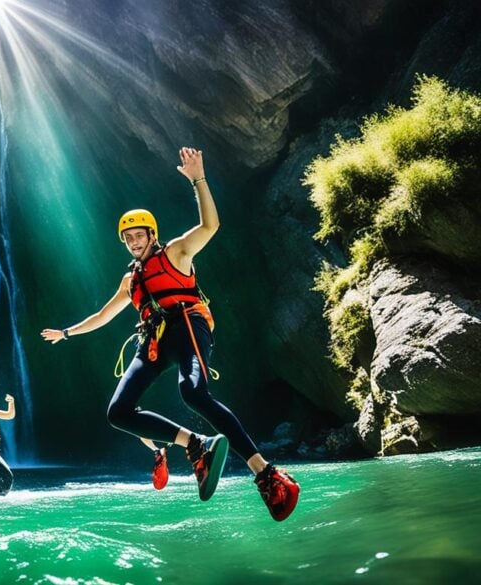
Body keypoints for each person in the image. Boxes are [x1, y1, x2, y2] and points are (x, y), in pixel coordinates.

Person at [41, 147, 300, 521]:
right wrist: (67, 333)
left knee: (192, 391)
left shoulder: (176, 253)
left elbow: (210, 226)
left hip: (187, 325)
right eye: (127, 237)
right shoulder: (130, 280)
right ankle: (196, 445)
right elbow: (103, 314)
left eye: (138, 234)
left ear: (151, 234)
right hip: (152, 341)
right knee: (119, 412)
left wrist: (198, 179)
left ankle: (265, 472)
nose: (133, 241)